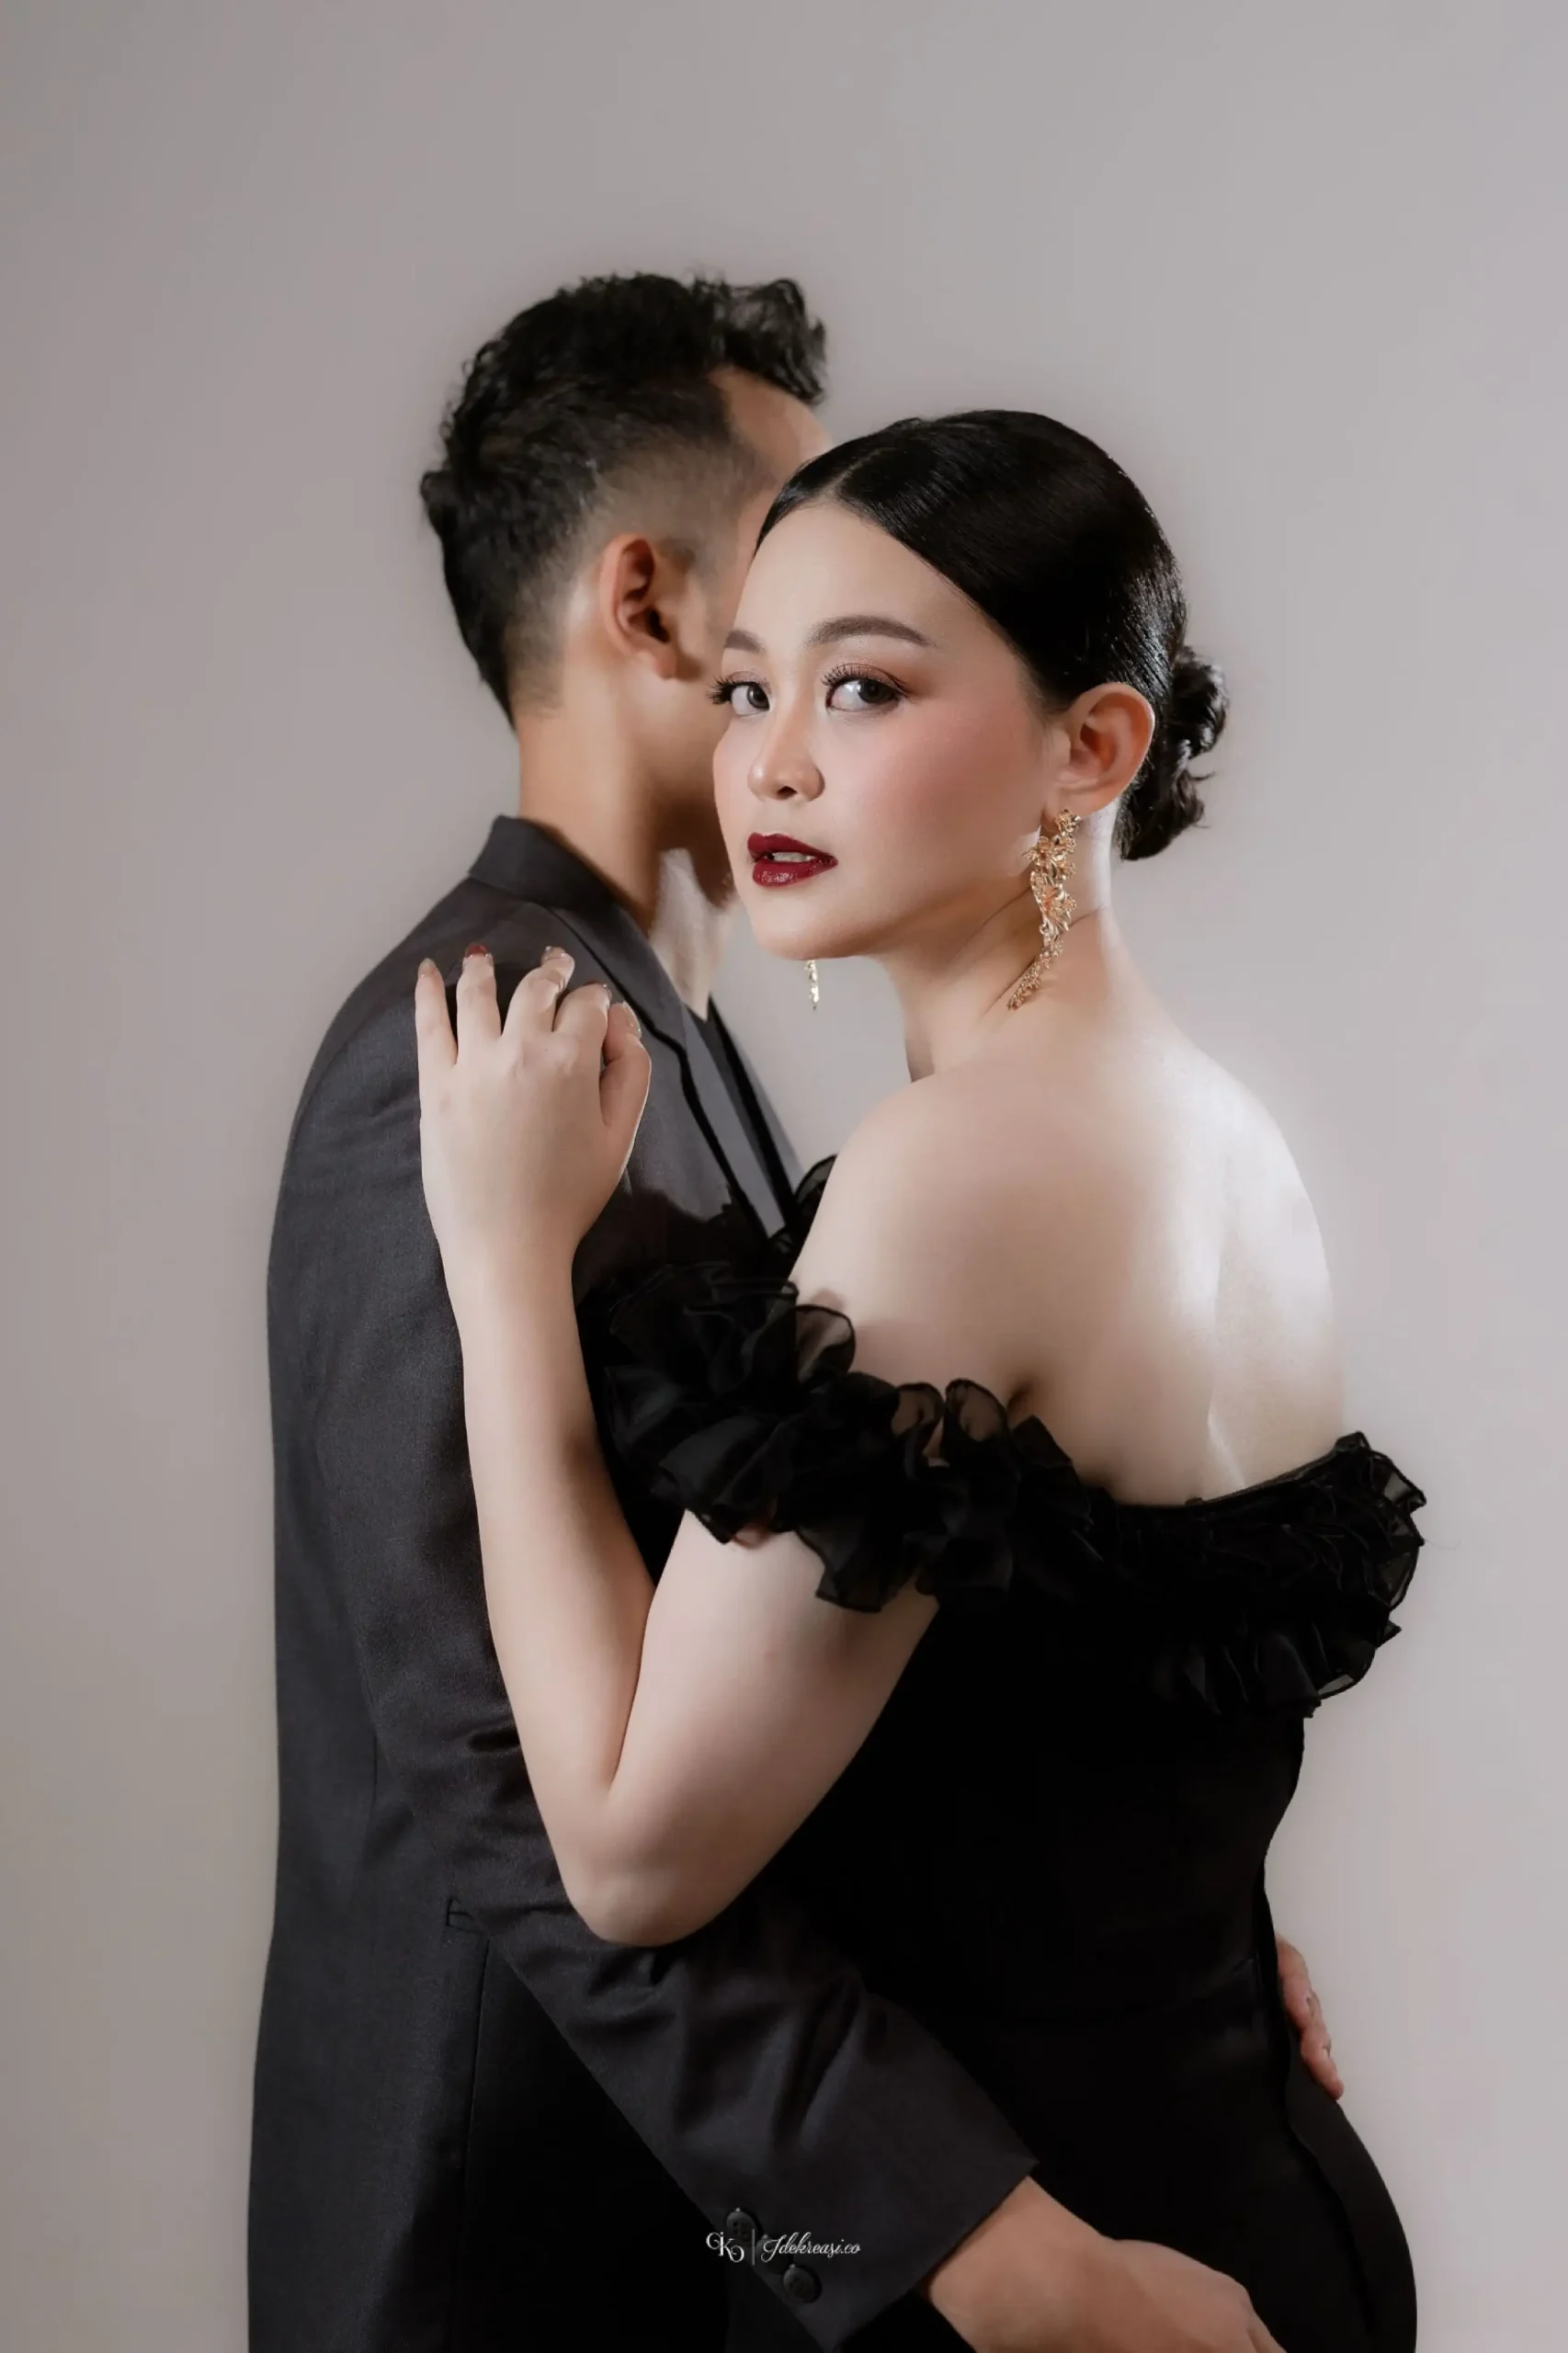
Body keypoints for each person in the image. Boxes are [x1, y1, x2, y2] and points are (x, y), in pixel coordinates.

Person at [249, 262, 1339, 2351]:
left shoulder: (784, 1079)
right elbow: (506, 1773)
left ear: (1088, 744)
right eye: (767, 658)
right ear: (655, 610)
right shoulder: (468, 1059)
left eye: (861, 678)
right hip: (547, 2249)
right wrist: (985, 2233)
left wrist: (1149, 1942)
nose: (786, 739)